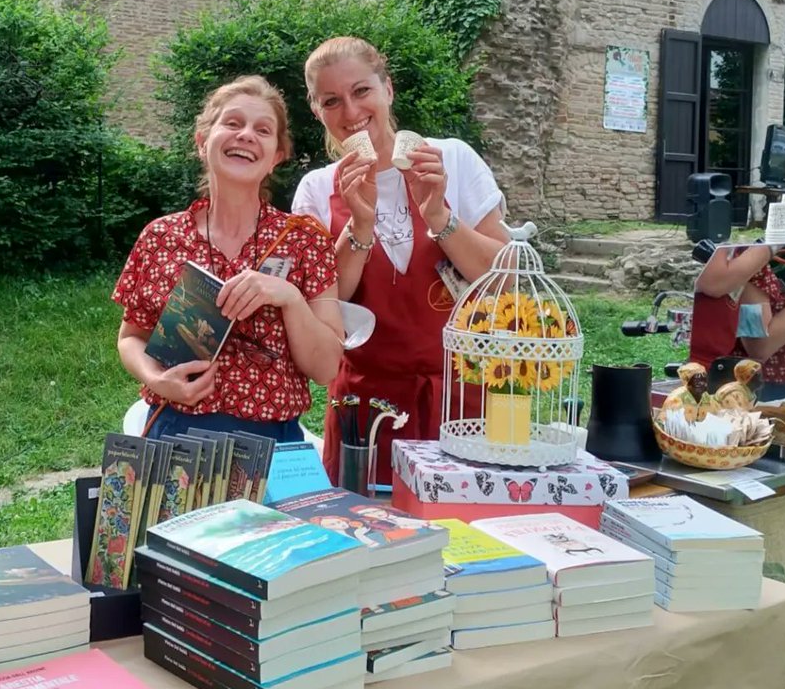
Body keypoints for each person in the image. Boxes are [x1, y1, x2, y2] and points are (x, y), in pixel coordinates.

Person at [292, 36, 511, 482]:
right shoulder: (315, 191)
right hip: (364, 409)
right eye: (332, 101)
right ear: (317, 111)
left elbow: (505, 281)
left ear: (387, 89)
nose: (351, 112)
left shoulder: (451, 159)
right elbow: (324, 309)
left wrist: (439, 215)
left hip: (462, 399)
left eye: (361, 91)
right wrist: (359, 227)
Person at [113, 76, 344, 442]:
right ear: (203, 141)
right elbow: (131, 337)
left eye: (263, 130)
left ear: (276, 157)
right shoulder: (161, 237)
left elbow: (327, 367)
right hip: (176, 435)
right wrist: (158, 380)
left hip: (275, 447)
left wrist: (289, 297)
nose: (246, 135)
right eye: (232, 123)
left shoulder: (305, 240)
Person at [689, 242, 785, 399]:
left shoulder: (744, 266)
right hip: (757, 387)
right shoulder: (749, 269)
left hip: (748, 382)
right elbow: (759, 347)